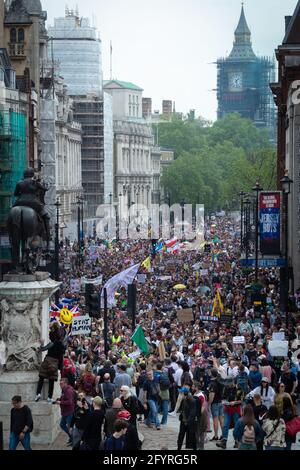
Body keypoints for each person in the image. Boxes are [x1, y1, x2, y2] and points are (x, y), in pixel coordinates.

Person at [13, 167, 50, 242]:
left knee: (12, 212)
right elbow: (45, 189)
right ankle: (47, 235)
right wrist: (47, 185)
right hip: (34, 203)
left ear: (24, 175)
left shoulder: (19, 183)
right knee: (46, 216)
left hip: (19, 202)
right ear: (32, 174)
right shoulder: (35, 183)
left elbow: (16, 194)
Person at [35, 322, 65, 403]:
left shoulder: (52, 343)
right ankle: (49, 397)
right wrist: (60, 367)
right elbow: (61, 357)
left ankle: (38, 394)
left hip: (47, 360)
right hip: (54, 363)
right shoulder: (60, 344)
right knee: (51, 380)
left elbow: (42, 349)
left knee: (41, 377)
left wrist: (41, 343)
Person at [216, 380, 243, 449]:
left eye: (229, 383)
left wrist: (235, 402)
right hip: (227, 409)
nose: (228, 385)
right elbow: (223, 398)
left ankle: (237, 441)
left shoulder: (239, 389)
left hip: (236, 409)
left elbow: (241, 400)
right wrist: (224, 402)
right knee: (225, 425)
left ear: (233, 382)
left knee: (237, 425)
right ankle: (224, 441)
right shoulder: (226, 387)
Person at [53, 377, 75, 446]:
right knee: (62, 425)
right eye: (59, 383)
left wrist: (60, 402)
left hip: (69, 412)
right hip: (65, 412)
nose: (60, 385)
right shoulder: (64, 389)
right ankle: (72, 437)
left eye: (61, 383)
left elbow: (70, 402)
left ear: (65, 383)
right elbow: (64, 398)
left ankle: (74, 440)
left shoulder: (68, 391)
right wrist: (59, 399)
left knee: (69, 428)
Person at [177, 385, 197, 451]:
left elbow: (192, 413)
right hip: (183, 420)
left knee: (192, 436)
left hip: (189, 422)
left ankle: (194, 448)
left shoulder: (192, 400)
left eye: (181, 393)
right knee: (181, 436)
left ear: (184, 393)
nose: (180, 394)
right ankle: (178, 448)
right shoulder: (183, 399)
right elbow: (181, 410)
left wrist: (187, 422)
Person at [208, 368, 224, 441]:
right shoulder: (220, 381)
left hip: (215, 403)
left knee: (215, 419)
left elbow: (211, 396)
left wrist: (208, 404)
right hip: (220, 402)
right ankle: (224, 435)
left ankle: (216, 435)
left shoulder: (212, 384)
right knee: (221, 419)